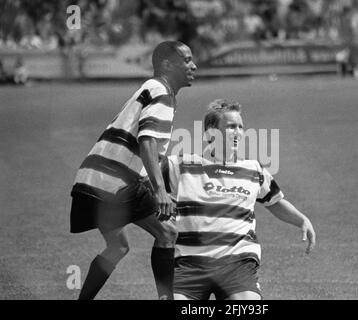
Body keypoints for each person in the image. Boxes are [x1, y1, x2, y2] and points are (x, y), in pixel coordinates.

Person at [69, 41, 197, 300]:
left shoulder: (150, 90)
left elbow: (142, 146)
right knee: (167, 232)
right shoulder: (161, 92)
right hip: (114, 183)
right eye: (187, 60)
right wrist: (160, 190)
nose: (193, 65)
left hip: (90, 179)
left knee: (118, 246)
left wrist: (155, 184)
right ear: (167, 64)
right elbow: (146, 140)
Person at [153, 99, 316, 300]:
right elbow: (147, 176)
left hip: (237, 264)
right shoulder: (181, 165)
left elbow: (274, 202)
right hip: (190, 263)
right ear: (210, 133)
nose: (238, 132)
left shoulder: (253, 169)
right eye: (231, 127)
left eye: (240, 127)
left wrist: (302, 220)